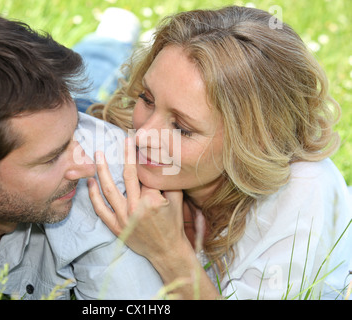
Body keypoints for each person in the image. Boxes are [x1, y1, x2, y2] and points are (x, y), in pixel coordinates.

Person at [87, 6, 352, 299]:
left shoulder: (305, 191)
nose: (143, 136)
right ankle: (109, 40)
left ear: (254, 142)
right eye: (146, 99)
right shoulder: (126, 132)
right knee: (78, 83)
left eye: (182, 128)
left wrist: (167, 251)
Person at [0, 10, 164, 300]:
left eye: (72, 137)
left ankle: (112, 37)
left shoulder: (104, 166)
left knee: (96, 79)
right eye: (51, 159)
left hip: (80, 114)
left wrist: (68, 136)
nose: (86, 166)